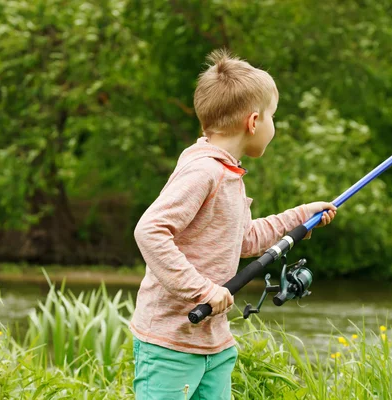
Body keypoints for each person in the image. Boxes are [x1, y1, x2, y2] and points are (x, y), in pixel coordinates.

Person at [130, 49, 337, 399]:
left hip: (214, 343)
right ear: (254, 122)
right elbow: (149, 231)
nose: (274, 125)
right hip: (170, 342)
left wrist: (301, 216)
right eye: (273, 116)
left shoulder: (229, 173)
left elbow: (245, 239)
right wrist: (204, 291)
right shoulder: (204, 171)